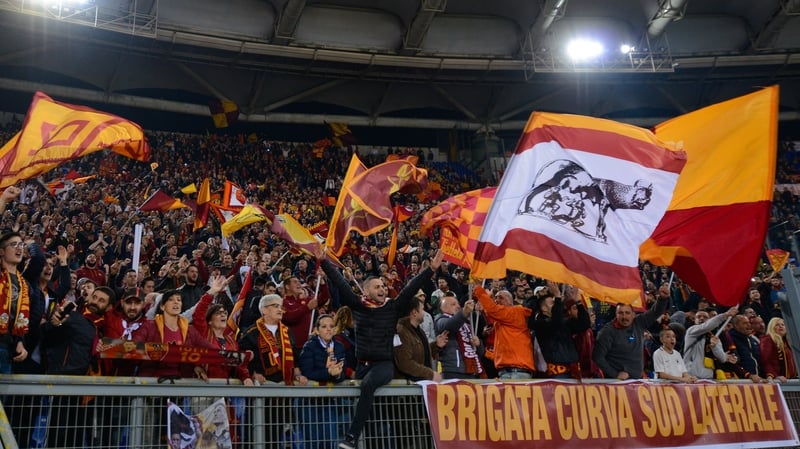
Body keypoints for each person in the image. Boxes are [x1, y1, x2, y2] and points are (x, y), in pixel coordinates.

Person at [321, 249, 444, 449]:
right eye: (377, 286)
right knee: (366, 405)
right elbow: (341, 285)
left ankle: (351, 437)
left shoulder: (392, 307)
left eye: (383, 286)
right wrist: (323, 261)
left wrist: (430, 270)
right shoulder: (358, 306)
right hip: (362, 365)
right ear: (366, 290)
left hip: (383, 364)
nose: (383, 289)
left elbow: (411, 288)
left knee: (368, 386)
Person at [593, 284, 669, 379]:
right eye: (620, 313)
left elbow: (655, 312)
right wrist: (615, 374)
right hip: (616, 383)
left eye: (627, 313)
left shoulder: (639, 322)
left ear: (633, 314)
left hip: (637, 380)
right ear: (616, 314)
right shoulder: (607, 332)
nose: (624, 317)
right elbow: (598, 357)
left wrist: (662, 299)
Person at [297, 314, 348, 449]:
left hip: (328, 400)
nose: (328, 330)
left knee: (330, 439)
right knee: (312, 441)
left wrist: (337, 375)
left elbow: (342, 373)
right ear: (317, 330)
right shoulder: (309, 346)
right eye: (324, 327)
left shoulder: (339, 347)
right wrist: (328, 373)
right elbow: (307, 372)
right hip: (308, 401)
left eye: (331, 326)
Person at [191, 274, 253, 385]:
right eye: (218, 313)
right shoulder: (204, 333)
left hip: (224, 391)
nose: (223, 315)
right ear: (209, 321)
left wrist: (246, 378)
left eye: (225, 313)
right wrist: (212, 292)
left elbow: (238, 365)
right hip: (202, 389)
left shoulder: (231, 341)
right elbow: (198, 313)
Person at [238, 293, 306, 385]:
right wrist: (252, 374)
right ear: (264, 310)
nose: (280, 310)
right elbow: (244, 359)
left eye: (281, 307)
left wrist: (298, 374)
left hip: (286, 385)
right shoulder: (251, 333)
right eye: (275, 306)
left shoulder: (287, 331)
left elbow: (294, 356)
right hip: (262, 385)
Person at [473, 286, 534, 379]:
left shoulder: (516, 311)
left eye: (500, 297)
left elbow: (492, 310)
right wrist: (485, 351)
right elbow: (503, 352)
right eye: (495, 298)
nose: (496, 300)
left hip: (516, 372)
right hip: (507, 371)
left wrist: (479, 289)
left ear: (510, 301)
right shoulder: (502, 323)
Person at [531, 282, 589, 379]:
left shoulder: (564, 323)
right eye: (552, 303)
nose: (556, 305)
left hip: (574, 372)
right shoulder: (540, 324)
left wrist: (578, 302)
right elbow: (556, 324)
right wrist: (557, 298)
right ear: (544, 308)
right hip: (558, 374)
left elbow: (584, 325)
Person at [394, 298, 447, 381]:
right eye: (422, 309)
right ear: (414, 312)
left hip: (422, 384)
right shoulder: (401, 331)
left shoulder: (419, 330)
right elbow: (405, 363)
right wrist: (430, 374)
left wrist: (435, 345)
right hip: (408, 387)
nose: (424, 313)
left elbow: (419, 352)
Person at [435, 294, 484, 379]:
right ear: (443, 308)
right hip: (453, 371)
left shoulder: (466, 324)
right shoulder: (440, 320)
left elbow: (480, 351)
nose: (458, 306)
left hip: (471, 371)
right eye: (453, 304)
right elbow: (449, 326)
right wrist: (464, 312)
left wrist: (479, 344)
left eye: (458, 304)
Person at [683, 305, 738, 379]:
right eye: (698, 317)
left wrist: (714, 346)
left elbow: (722, 358)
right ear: (694, 320)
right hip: (691, 376)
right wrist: (726, 314)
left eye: (705, 317)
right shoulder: (691, 332)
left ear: (709, 320)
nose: (701, 318)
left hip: (709, 377)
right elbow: (705, 327)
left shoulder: (714, 337)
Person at [726, 314, 767, 383]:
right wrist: (748, 375)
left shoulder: (753, 340)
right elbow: (733, 362)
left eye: (749, 323)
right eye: (745, 323)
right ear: (736, 326)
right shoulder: (729, 339)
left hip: (758, 380)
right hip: (741, 382)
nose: (749, 325)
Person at [760, 317, 797, 383]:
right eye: (777, 325)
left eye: (783, 324)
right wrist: (774, 375)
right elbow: (765, 360)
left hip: (791, 380)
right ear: (772, 327)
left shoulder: (787, 341)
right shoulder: (768, 339)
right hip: (777, 381)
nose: (781, 326)